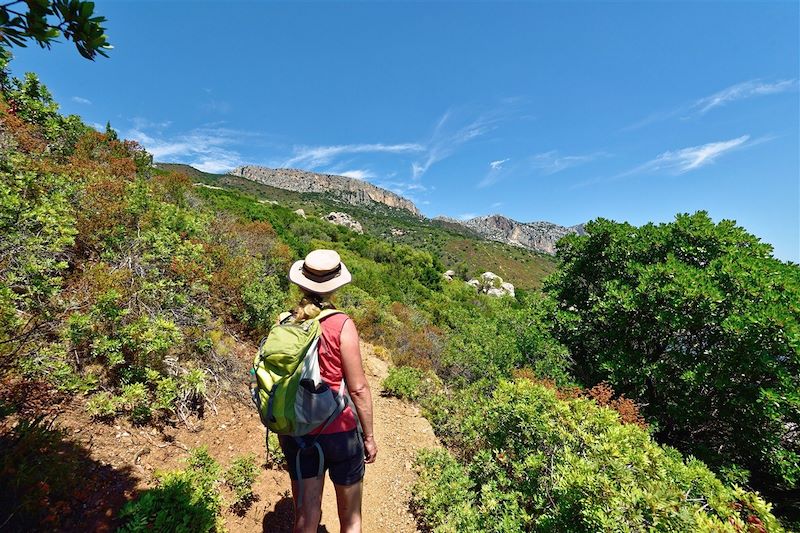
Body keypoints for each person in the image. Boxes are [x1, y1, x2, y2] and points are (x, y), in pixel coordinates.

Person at [279, 249, 378, 533]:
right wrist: (369, 437)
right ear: (335, 286)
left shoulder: (284, 321)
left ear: (301, 283)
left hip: (297, 429)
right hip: (340, 432)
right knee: (351, 520)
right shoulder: (342, 325)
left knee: (305, 519)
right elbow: (358, 389)